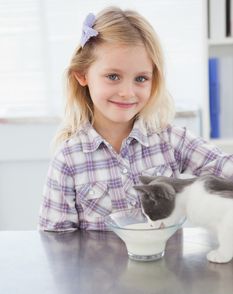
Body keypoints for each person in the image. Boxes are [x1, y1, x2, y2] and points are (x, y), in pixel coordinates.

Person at [39, 7, 233, 232]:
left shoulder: (170, 140)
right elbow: (55, 243)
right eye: (113, 77)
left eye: (141, 78)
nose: (127, 92)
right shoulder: (68, 160)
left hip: (166, 267)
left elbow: (224, 168)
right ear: (82, 75)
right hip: (99, 268)